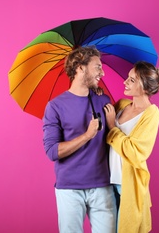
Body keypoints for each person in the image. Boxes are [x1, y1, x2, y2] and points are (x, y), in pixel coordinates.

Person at [42, 46, 116, 233]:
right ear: (80, 68)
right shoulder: (55, 106)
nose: (103, 72)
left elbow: (115, 140)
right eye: (97, 67)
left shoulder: (103, 100)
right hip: (69, 189)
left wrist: (113, 125)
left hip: (102, 186)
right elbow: (52, 152)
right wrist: (87, 136)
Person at [103, 61, 159, 233]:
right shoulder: (122, 105)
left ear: (145, 87)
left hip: (128, 184)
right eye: (128, 78)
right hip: (106, 181)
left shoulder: (151, 113)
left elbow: (136, 152)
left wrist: (113, 128)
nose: (125, 82)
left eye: (131, 80)